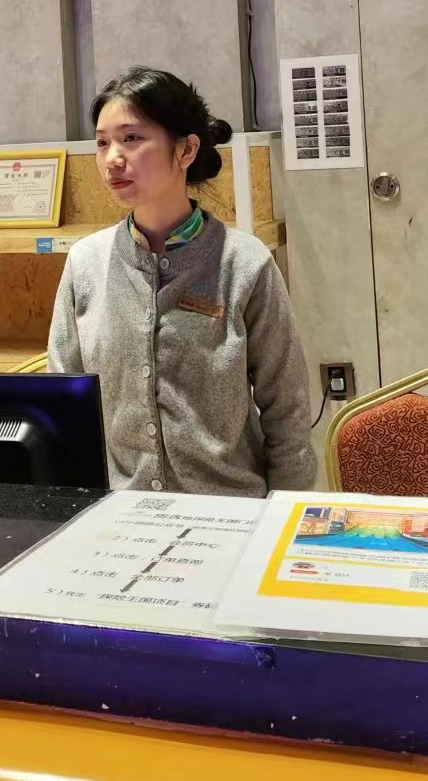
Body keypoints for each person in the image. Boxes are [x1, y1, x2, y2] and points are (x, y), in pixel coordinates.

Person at [48, 67, 316, 496]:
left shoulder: (245, 263)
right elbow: (63, 405)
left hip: (231, 511)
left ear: (186, 149)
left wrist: (283, 514)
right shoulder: (86, 263)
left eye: (131, 138)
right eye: (102, 143)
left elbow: (287, 410)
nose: (112, 158)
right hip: (120, 513)